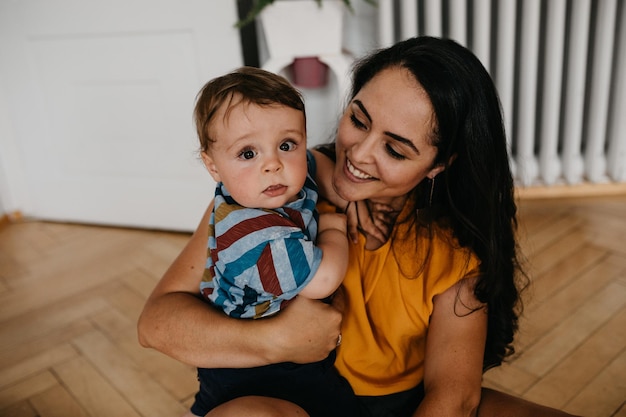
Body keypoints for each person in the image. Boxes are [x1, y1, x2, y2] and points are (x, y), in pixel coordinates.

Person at [138, 37, 582, 417]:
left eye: (395, 149)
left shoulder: (453, 251)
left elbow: (453, 394)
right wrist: (274, 340)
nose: (359, 154)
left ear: (440, 164)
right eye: (358, 120)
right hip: (286, 398)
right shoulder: (277, 193)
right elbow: (156, 324)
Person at [186, 66, 357, 417]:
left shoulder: (267, 183)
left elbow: (311, 161)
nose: (274, 164)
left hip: (285, 350)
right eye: (248, 153)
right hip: (251, 370)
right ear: (213, 166)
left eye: (286, 144)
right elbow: (323, 279)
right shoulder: (255, 236)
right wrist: (334, 228)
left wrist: (346, 195)